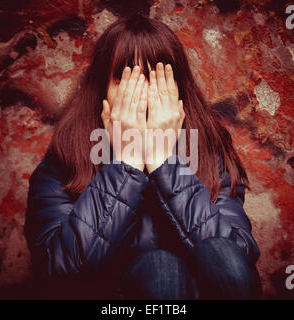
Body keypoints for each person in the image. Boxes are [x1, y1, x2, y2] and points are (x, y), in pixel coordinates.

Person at [24, 14, 263, 299]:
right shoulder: (66, 158)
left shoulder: (209, 153)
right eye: (126, 80)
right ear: (102, 90)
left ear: (178, 93)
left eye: (156, 79)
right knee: (160, 269)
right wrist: (127, 161)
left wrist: (163, 160)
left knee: (218, 253)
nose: (143, 96)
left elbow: (237, 261)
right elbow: (58, 268)